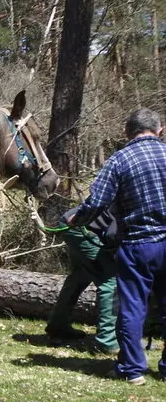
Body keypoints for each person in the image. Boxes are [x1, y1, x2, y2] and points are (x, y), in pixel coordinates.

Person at [64, 107, 166, 385]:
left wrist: (77, 218)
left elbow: (97, 201)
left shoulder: (120, 160)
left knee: (133, 308)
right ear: (161, 130)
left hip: (137, 245)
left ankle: (133, 370)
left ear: (126, 132)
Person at [45, 223, 117, 355]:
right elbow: (112, 234)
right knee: (110, 281)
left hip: (72, 225)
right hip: (84, 229)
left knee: (80, 275)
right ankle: (108, 341)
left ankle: (58, 325)